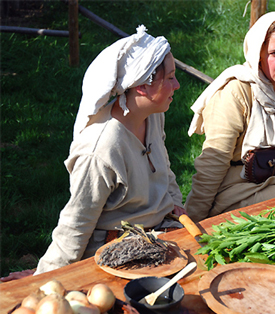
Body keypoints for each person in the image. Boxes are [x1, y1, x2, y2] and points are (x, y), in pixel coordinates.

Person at [1, 25, 184, 281]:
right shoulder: (101, 149)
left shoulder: (152, 116)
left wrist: (176, 203)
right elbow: (76, 224)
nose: (177, 85)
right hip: (119, 255)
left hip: (162, 236)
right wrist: (40, 280)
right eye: (170, 78)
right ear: (142, 86)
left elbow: (163, 164)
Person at [185, 12, 275, 222]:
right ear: (258, 54)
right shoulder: (236, 92)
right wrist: (193, 220)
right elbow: (214, 161)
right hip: (240, 187)